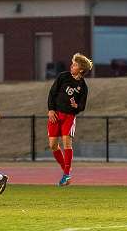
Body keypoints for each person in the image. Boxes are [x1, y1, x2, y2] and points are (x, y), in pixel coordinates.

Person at [47, 53, 93, 186]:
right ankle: (66, 169)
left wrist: (76, 106)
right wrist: (50, 110)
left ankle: (66, 175)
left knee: (67, 142)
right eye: (73, 63)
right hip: (55, 115)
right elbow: (52, 93)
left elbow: (82, 106)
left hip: (69, 117)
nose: (72, 66)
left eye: (75, 65)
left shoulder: (83, 86)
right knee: (53, 145)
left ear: (81, 70)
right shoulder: (63, 76)